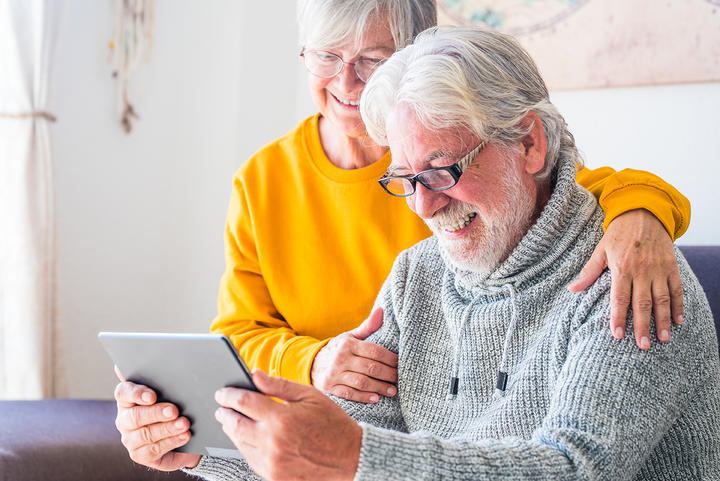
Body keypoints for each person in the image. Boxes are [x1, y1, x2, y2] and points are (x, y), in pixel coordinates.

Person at [112, 0, 693, 474]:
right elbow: (329, 441)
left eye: (442, 170)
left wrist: (356, 457)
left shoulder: (633, 277)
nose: (425, 206)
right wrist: (198, 448)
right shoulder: (419, 273)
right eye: (405, 180)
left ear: (528, 144)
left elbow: (574, 469)